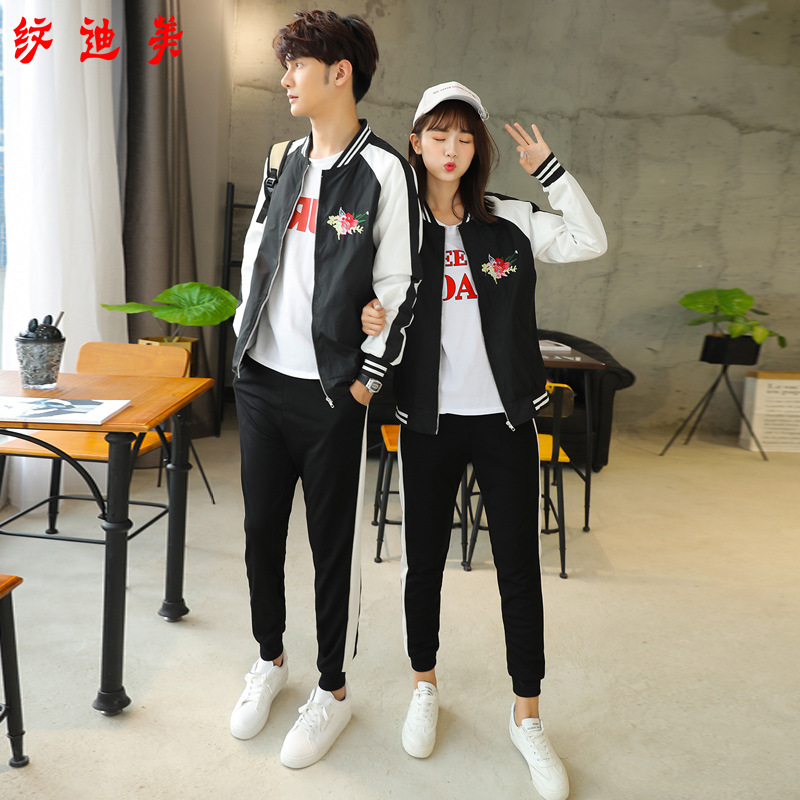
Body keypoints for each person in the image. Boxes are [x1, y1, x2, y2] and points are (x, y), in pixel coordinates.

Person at [361, 81, 606, 800]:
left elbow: (590, 240)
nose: (452, 149)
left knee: (519, 568)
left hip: (505, 421)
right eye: (439, 135)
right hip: (427, 422)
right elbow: (357, 295)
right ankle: (424, 685)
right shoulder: (396, 226)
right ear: (416, 142)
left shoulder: (510, 219)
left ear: (478, 149)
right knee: (423, 563)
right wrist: (366, 316)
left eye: (465, 138)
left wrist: (551, 172)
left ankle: (527, 716)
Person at [230, 10, 420, 769]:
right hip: (261, 382)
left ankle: (333, 690)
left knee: (330, 548)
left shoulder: (384, 173)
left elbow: (400, 285)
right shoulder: (281, 160)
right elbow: (257, 255)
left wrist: (366, 381)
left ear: (340, 73)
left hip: (332, 394)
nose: (285, 79)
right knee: (259, 535)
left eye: (297, 65)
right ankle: (270, 659)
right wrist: (242, 344)